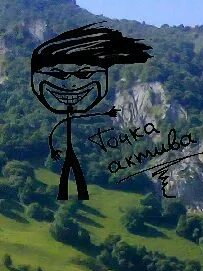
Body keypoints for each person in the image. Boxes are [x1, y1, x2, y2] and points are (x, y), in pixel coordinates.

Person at [30, 22, 152, 201]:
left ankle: (71, 193)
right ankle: (70, 193)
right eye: (57, 75)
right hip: (67, 147)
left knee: (71, 169)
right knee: (71, 168)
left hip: (69, 147)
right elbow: (59, 128)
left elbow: (68, 123)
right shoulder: (65, 116)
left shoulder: (69, 116)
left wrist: (105, 114)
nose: (71, 84)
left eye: (84, 74)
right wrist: (53, 148)